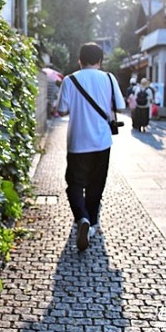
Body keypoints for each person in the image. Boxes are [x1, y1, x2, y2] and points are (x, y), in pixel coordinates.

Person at [54, 43, 126, 252]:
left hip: (78, 141)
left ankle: (82, 218)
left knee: (75, 184)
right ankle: (92, 223)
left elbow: (62, 110)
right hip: (102, 142)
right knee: (97, 184)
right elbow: (120, 106)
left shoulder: (70, 80)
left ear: (80, 60)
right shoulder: (109, 78)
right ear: (100, 60)